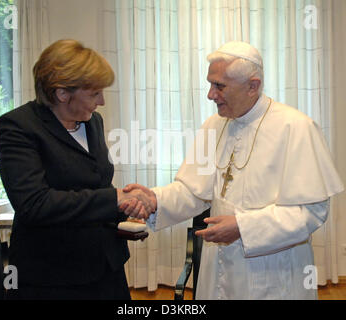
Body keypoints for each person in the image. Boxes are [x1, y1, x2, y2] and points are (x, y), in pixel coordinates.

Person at [121, 41, 344, 300]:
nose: (210, 94)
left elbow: (312, 211)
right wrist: (154, 200)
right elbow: (194, 192)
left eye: (220, 86)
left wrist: (243, 227)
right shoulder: (214, 125)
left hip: (271, 271)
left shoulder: (295, 127)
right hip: (217, 267)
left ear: (253, 86)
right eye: (210, 84)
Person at [0, 39, 154, 300]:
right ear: (62, 93)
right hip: (52, 277)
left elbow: (93, 184)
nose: (102, 101)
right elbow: (34, 204)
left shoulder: (93, 121)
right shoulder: (19, 126)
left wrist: (122, 211)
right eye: (94, 94)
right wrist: (114, 199)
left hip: (106, 268)